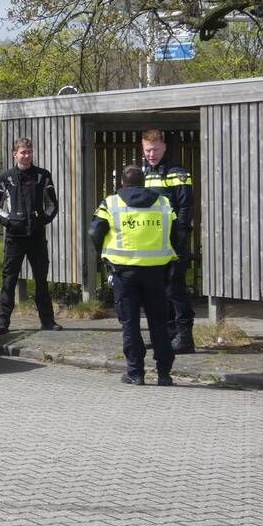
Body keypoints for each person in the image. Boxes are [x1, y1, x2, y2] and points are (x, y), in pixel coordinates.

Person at [90, 164, 178, 386]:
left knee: (130, 323)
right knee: (159, 322)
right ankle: (164, 373)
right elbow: (178, 233)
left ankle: (135, 373)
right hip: (157, 272)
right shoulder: (163, 203)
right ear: (144, 183)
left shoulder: (110, 203)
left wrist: (103, 254)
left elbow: (95, 231)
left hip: (124, 272)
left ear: (122, 183)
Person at [0, 137, 61, 334]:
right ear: (15, 154)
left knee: (41, 280)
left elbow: (52, 204)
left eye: (29, 152)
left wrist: (43, 220)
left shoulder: (43, 176)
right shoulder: (5, 178)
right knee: (9, 280)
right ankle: (3, 322)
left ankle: (47, 321)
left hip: (37, 237)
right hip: (15, 238)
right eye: (23, 152)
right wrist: (10, 221)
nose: (27, 156)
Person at [141, 129, 196, 353]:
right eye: (147, 150)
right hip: (155, 243)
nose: (151, 154)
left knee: (175, 289)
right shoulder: (146, 172)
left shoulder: (177, 172)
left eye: (155, 149)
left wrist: (180, 237)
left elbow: (186, 207)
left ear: (164, 147)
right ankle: (167, 333)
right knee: (160, 290)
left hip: (174, 242)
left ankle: (185, 337)